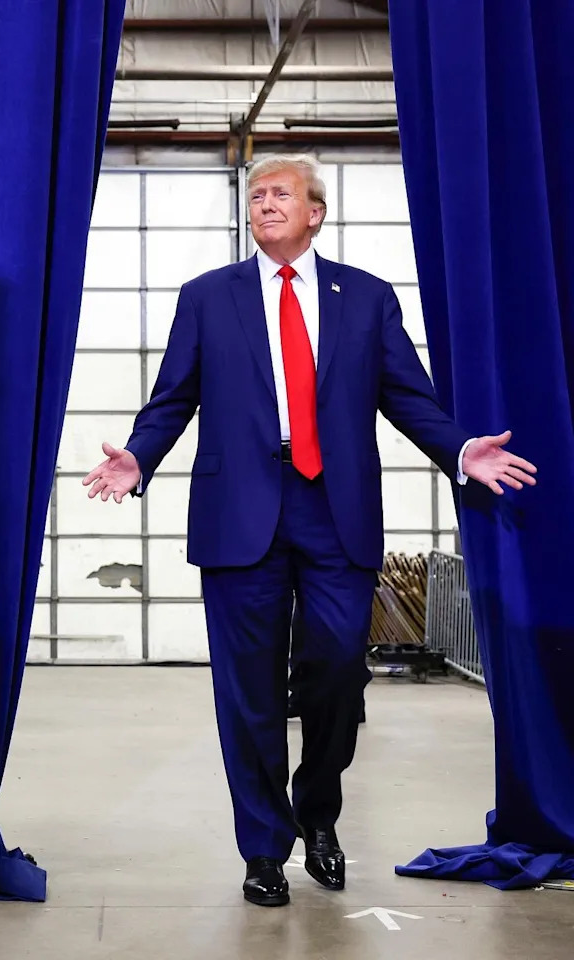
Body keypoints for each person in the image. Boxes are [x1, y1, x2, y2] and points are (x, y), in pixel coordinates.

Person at [81, 154, 537, 907]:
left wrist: (459, 449)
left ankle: (317, 810)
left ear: (315, 211)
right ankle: (263, 848)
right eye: (255, 195)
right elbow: (173, 398)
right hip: (240, 516)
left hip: (336, 512)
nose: (264, 204)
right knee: (249, 692)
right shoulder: (206, 298)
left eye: (280, 194)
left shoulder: (364, 298)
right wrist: (140, 455)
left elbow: (406, 396)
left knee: (334, 675)